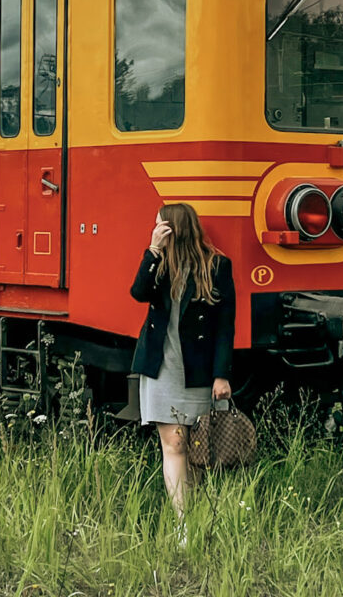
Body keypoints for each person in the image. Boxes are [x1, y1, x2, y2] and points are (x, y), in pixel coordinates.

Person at [129, 202, 235, 523]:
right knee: (174, 445)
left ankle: (201, 513)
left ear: (176, 228)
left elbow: (225, 326)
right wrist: (152, 250)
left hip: (199, 370)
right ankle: (183, 523)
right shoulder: (158, 265)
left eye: (161, 225)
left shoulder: (217, 266)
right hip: (162, 368)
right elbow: (137, 293)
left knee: (198, 449)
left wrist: (221, 375)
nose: (157, 229)